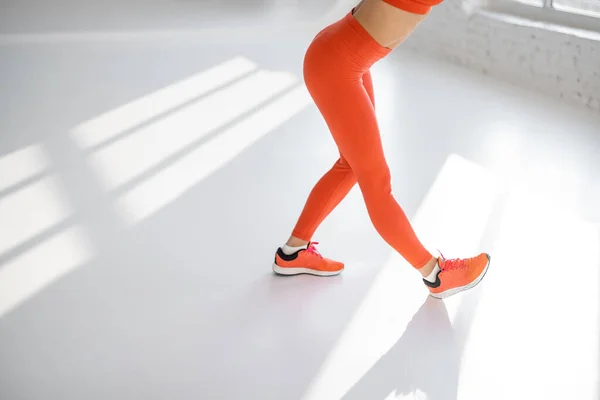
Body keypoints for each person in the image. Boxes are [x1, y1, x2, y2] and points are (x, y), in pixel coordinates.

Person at [272, 0, 490, 299]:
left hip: (346, 58)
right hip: (337, 64)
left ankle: (292, 252)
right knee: (376, 181)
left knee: (351, 165)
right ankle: (436, 274)